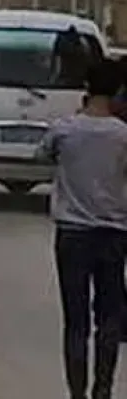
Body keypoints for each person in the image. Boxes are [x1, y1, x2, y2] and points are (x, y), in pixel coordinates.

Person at [36, 59, 127, 399]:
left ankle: (76, 392)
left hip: (73, 232)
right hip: (114, 231)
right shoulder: (122, 134)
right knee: (109, 316)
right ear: (118, 89)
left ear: (85, 87)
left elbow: (41, 155)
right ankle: (103, 388)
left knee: (75, 321)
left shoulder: (64, 129)